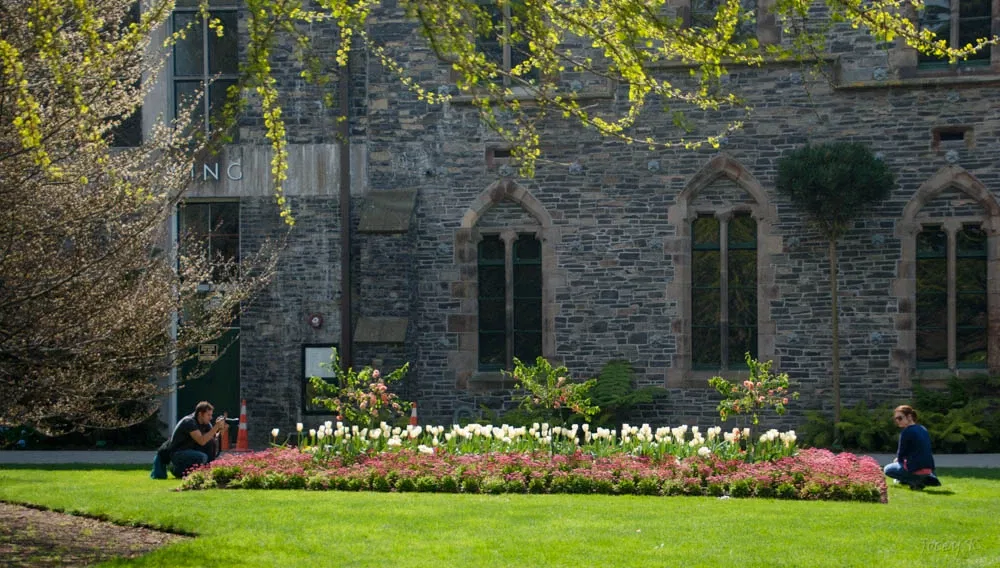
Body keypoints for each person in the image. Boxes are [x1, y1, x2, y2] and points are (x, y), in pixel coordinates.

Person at [151, 401, 227, 479]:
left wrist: (221, 429)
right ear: (200, 414)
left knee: (210, 445)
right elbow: (202, 441)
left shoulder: (205, 423)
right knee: (202, 457)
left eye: (211, 415)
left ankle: (203, 474)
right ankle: (176, 470)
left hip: (188, 451)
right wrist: (216, 427)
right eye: (208, 415)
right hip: (177, 453)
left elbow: (212, 438)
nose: (211, 418)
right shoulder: (189, 422)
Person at [883, 405, 941, 490]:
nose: (897, 421)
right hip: (929, 468)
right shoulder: (923, 429)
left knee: (887, 469)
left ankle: (915, 481)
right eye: (895, 419)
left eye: (900, 418)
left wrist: (898, 461)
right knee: (903, 465)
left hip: (916, 469)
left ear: (909, 416)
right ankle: (926, 478)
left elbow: (901, 454)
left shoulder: (906, 432)